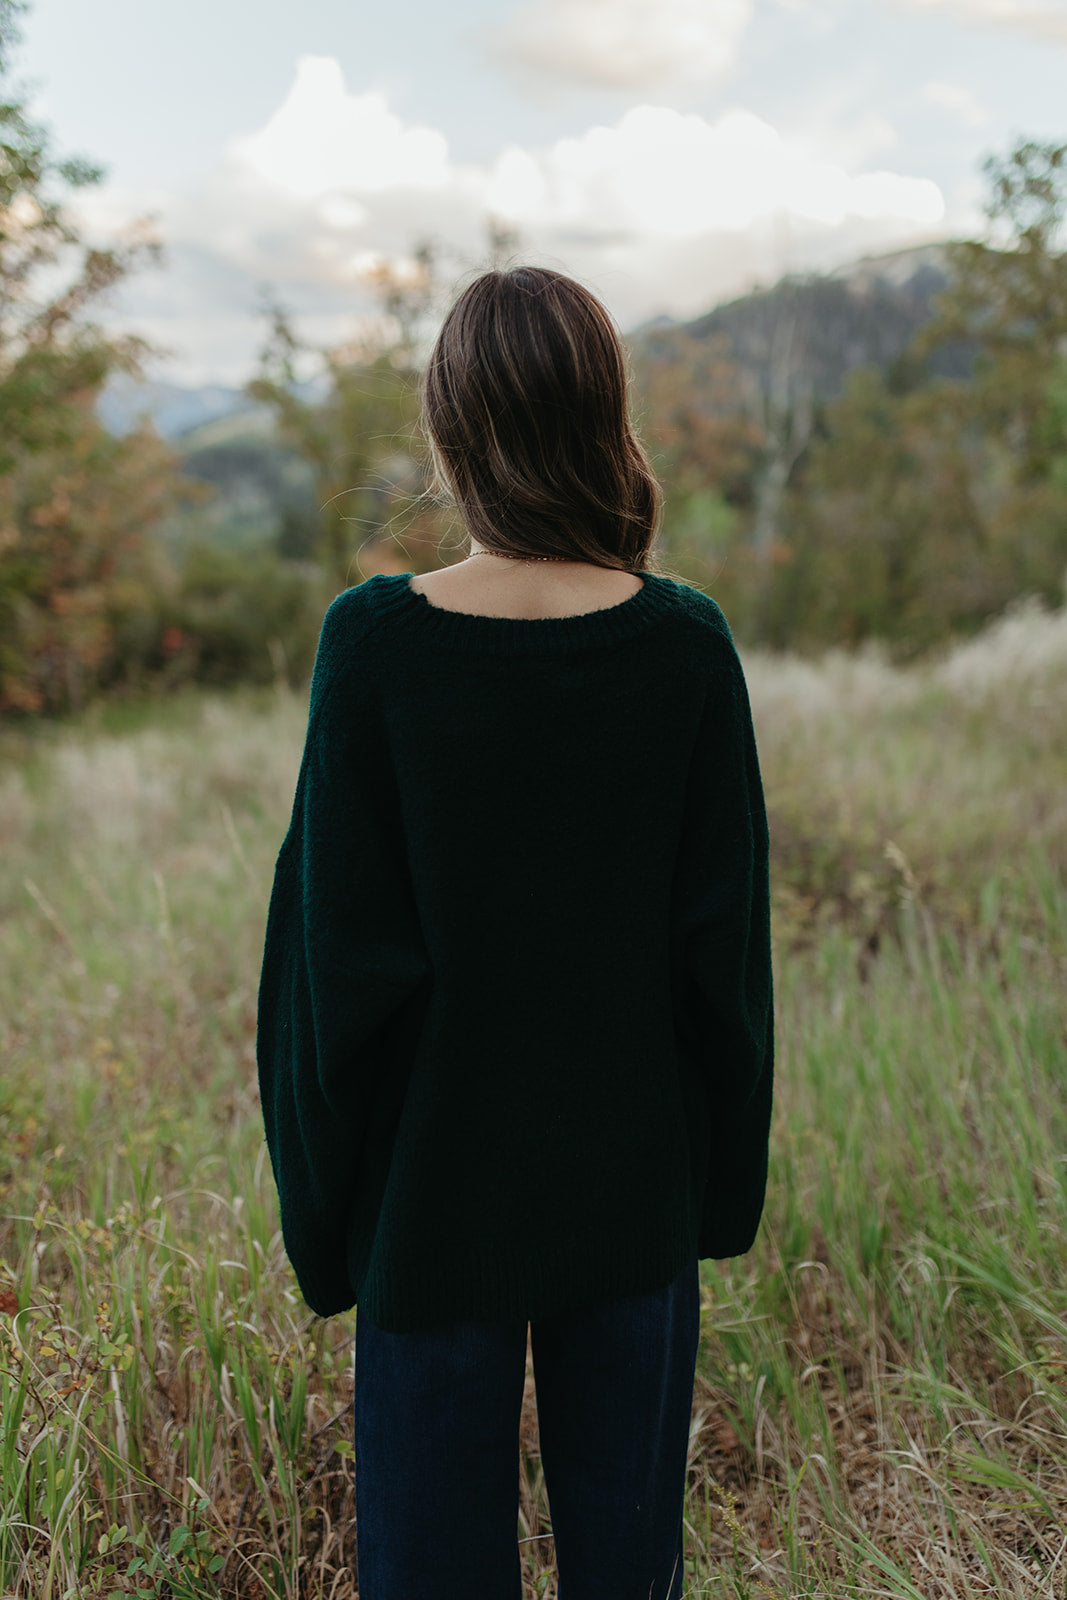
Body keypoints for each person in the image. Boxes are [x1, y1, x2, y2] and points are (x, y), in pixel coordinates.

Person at [256, 266, 774, 1600]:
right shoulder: (685, 649)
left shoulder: (374, 647)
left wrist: (332, 1227)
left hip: (430, 1205)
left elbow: (329, 976)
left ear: (449, 426)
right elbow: (722, 968)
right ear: (606, 419)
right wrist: (711, 1199)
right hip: (633, 1185)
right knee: (628, 1573)